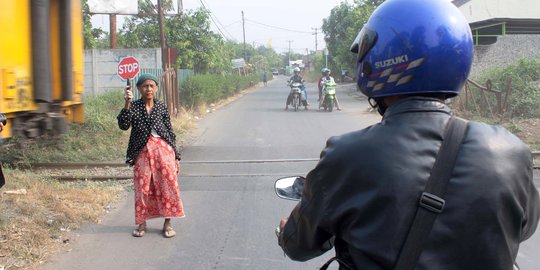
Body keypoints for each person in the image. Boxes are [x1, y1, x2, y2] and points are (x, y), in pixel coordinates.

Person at [277, 0, 540, 269]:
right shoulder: (511, 150)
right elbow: (524, 228)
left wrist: (287, 232)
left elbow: (300, 246)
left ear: (381, 59)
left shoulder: (347, 156)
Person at [117, 73, 185, 238]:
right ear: (139, 89)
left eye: (151, 86)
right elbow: (123, 125)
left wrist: (176, 156)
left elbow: (170, 131)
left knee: (167, 185)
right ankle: (142, 223)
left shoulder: (161, 106)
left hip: (164, 150)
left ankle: (168, 223)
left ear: (156, 88)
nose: (148, 89)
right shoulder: (134, 106)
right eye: (145, 86)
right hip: (142, 151)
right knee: (143, 188)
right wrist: (126, 102)